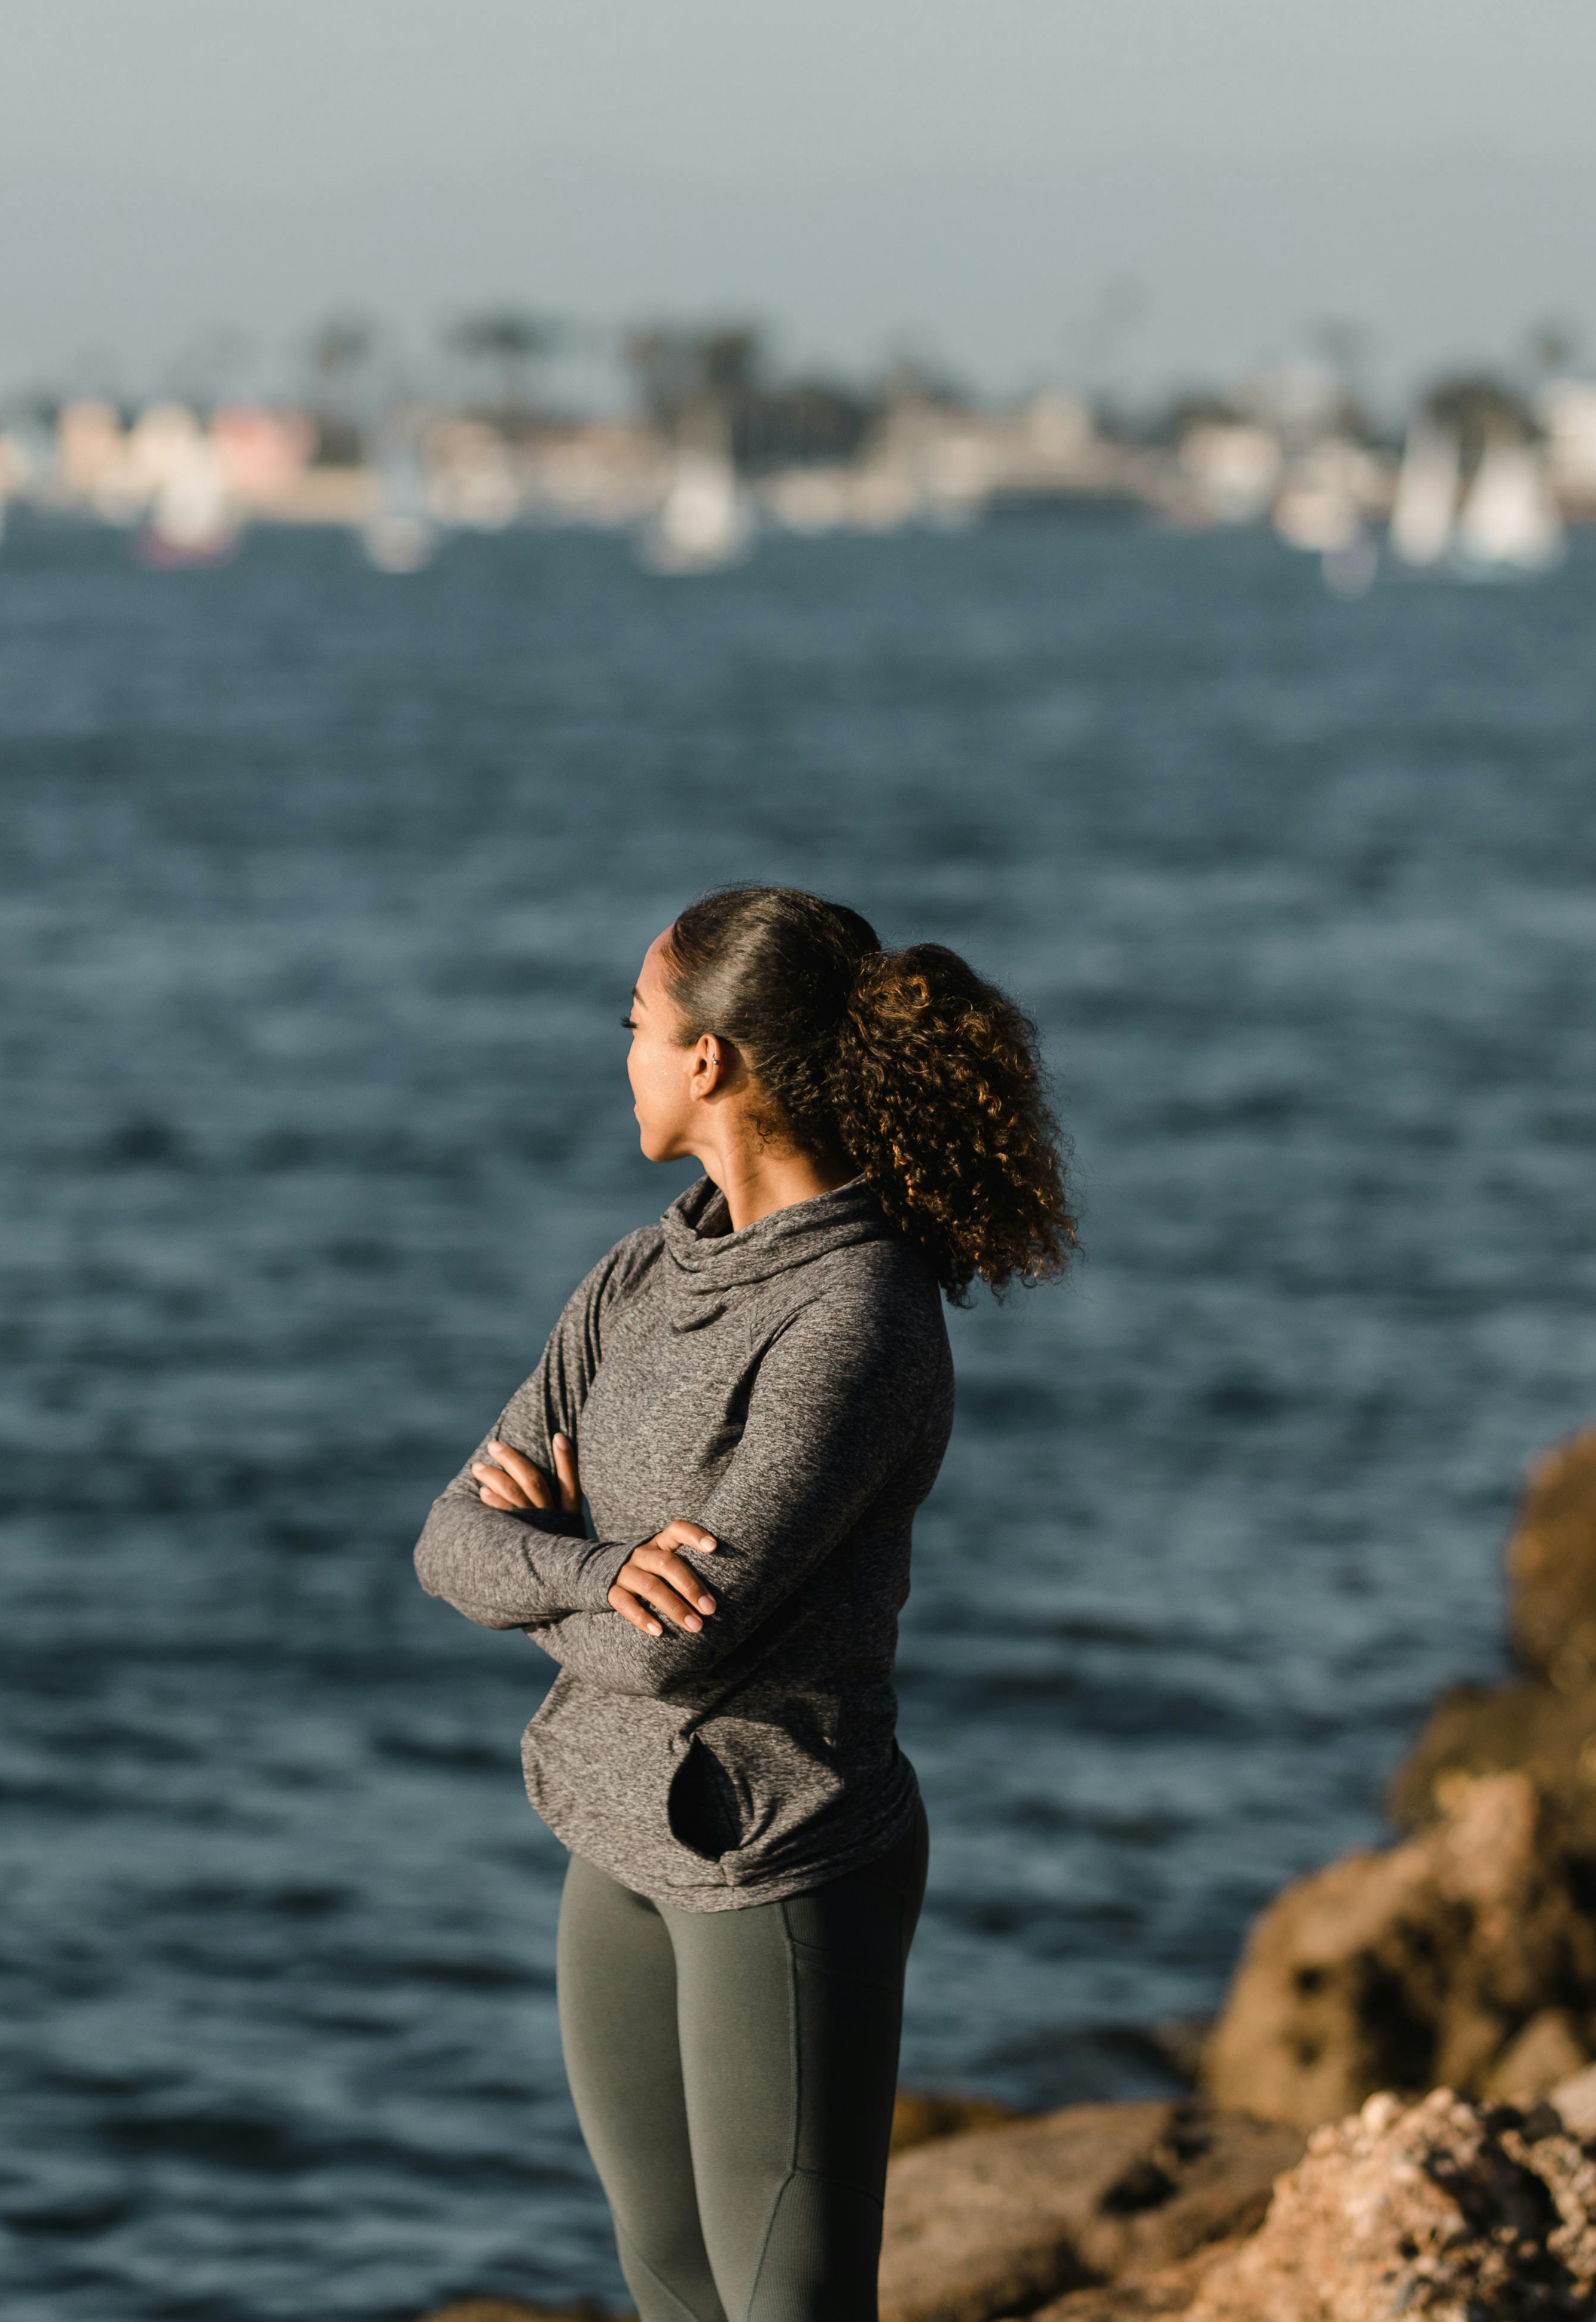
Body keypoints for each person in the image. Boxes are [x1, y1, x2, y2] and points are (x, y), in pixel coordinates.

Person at [413, 885, 1077, 2322]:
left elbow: (681, 1646)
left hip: (782, 1861)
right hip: (609, 1836)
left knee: (786, 2305)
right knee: (665, 2283)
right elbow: (444, 1541)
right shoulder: (637, 1275)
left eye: (636, 1024)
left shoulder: (854, 1316)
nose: (626, 1053)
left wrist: (551, 1551)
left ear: (708, 1058)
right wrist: (595, 1565)